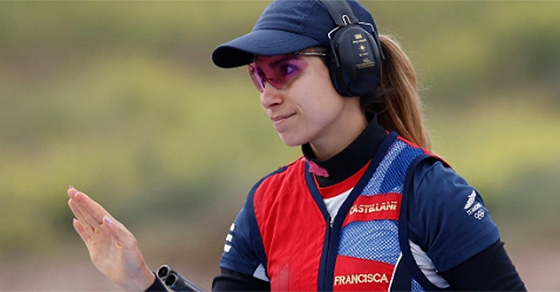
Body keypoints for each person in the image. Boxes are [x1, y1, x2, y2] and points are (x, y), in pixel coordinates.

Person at [67, 0, 527, 291]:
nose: (268, 94)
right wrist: (141, 282)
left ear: (353, 66)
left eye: (285, 69)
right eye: (257, 76)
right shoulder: (267, 203)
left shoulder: (429, 192)